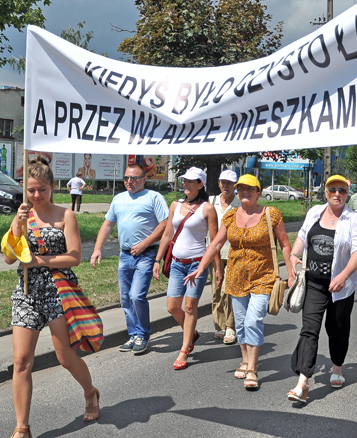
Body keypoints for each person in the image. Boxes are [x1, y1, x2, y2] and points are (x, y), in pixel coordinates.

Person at [7, 158, 99, 438]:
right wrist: (16, 228)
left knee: (65, 357)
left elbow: (74, 257)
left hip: (59, 292)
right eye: (31, 190)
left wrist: (39, 261)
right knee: (22, 361)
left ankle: (90, 392)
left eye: (42, 189)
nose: (36, 196)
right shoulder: (22, 215)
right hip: (26, 294)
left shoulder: (65, 215)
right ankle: (22, 427)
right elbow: (10, 258)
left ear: (52, 187)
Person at [184, 174, 292, 390]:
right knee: (241, 324)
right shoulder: (231, 215)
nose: (244, 192)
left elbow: (285, 245)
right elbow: (215, 244)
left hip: (263, 277)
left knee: (253, 320)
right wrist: (201, 267)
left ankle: (252, 368)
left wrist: (291, 271)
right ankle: (244, 359)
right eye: (241, 188)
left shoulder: (271, 214)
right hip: (236, 277)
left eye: (249, 189)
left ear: (258, 193)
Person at [286, 175, 357, 403]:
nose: (337, 194)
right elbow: (302, 237)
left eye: (342, 190)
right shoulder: (314, 212)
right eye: (333, 190)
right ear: (326, 192)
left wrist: (343, 276)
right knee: (309, 329)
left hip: (341, 287)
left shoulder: (354, 220)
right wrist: (293, 255)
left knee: (337, 329)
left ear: (347, 193)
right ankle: (303, 382)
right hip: (314, 283)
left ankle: (337, 368)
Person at [90, 163, 169, 355]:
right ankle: (133, 334)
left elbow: (165, 224)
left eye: (133, 178)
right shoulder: (119, 199)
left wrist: (145, 243)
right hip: (125, 255)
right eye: (126, 178)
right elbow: (107, 225)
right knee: (125, 298)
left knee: (136, 295)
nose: (129, 181)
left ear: (143, 179)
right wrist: (97, 249)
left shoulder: (153, 197)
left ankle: (143, 334)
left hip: (147, 253)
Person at [152, 167, 220, 370]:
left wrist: (218, 269)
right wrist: (157, 260)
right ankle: (192, 333)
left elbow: (215, 241)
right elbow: (166, 234)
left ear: (201, 184)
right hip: (176, 264)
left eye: (192, 181)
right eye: (185, 181)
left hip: (196, 265)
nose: (187, 184)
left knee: (190, 307)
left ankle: (184, 348)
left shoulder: (207, 208)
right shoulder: (175, 205)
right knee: (172, 307)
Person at [207, 169, 241, 344]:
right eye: (222, 182)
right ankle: (218, 324)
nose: (225, 186)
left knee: (229, 289)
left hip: (233, 253)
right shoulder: (211, 201)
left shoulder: (239, 203)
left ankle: (230, 326)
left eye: (229, 183)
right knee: (216, 290)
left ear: (234, 185)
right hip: (215, 253)